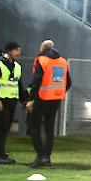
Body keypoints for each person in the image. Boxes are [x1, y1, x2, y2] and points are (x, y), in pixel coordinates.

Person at [24, 39, 71, 168]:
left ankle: (41, 156)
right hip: (56, 99)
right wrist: (59, 92)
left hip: (41, 98)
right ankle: (47, 157)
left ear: (42, 49)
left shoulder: (41, 60)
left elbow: (36, 81)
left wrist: (31, 99)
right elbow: (68, 82)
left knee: (33, 126)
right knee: (49, 128)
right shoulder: (63, 61)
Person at [0, 41, 27, 165]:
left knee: (6, 128)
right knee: (1, 128)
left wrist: (23, 100)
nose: (18, 52)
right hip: (1, 100)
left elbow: (18, 84)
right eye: (16, 50)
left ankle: (2, 153)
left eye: (19, 50)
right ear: (9, 51)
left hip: (11, 101)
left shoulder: (17, 66)